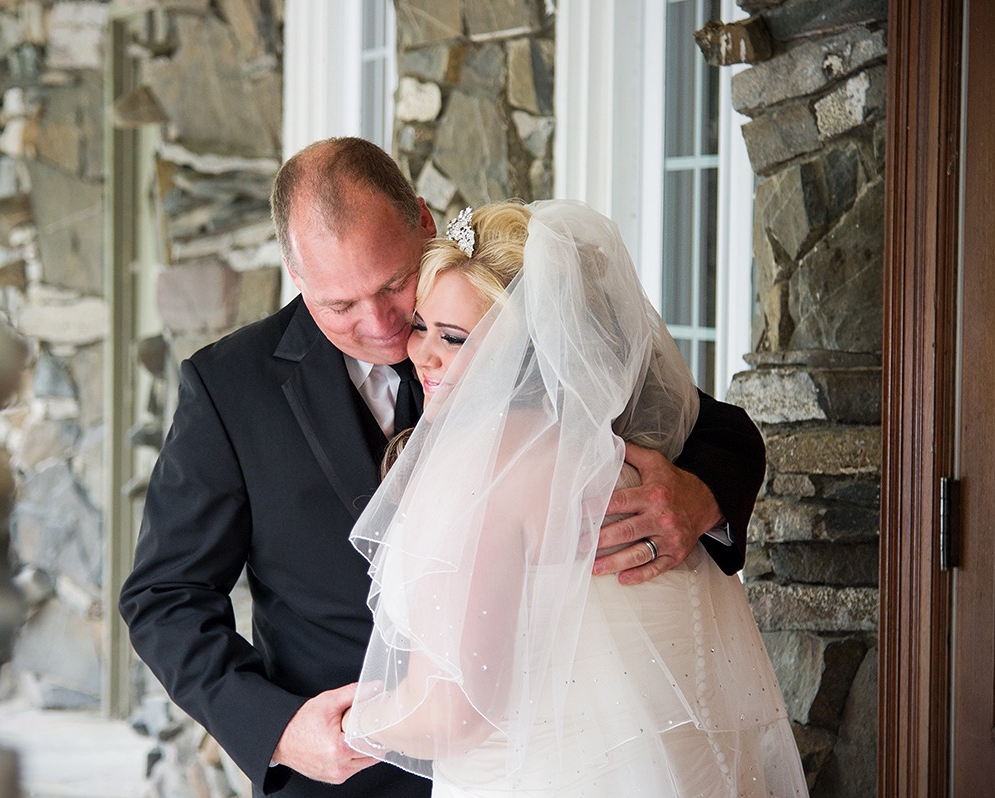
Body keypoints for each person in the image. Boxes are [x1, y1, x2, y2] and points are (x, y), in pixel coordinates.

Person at [119, 137, 766, 798]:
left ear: (425, 225)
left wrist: (699, 495)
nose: (380, 324)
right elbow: (163, 598)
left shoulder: (499, 311)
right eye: (338, 305)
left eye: (394, 285)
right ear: (297, 276)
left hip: (552, 762)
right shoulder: (231, 389)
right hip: (350, 780)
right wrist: (279, 729)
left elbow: (714, 427)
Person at [343, 200, 806, 796]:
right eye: (421, 327)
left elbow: (458, 712)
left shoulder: (483, 464)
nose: (420, 355)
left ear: (529, 348)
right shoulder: (625, 449)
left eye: (454, 338)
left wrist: (358, 720)